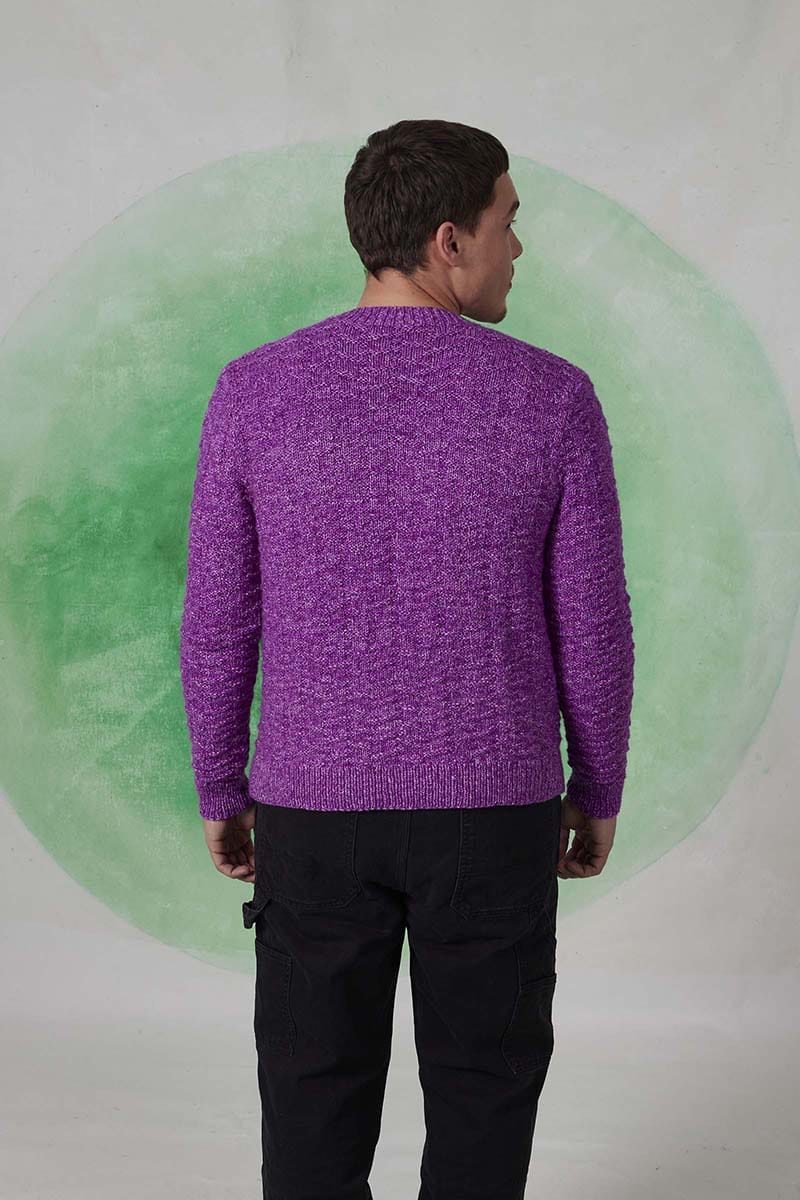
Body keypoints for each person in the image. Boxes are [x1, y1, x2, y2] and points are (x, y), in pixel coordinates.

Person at [179, 118, 635, 1200]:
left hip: (311, 810)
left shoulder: (254, 390)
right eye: (507, 221)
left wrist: (220, 786)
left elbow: (218, 617)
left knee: (312, 1098)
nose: (517, 246)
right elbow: (592, 620)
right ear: (448, 240)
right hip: (494, 812)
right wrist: (598, 785)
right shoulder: (552, 397)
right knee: (484, 1095)